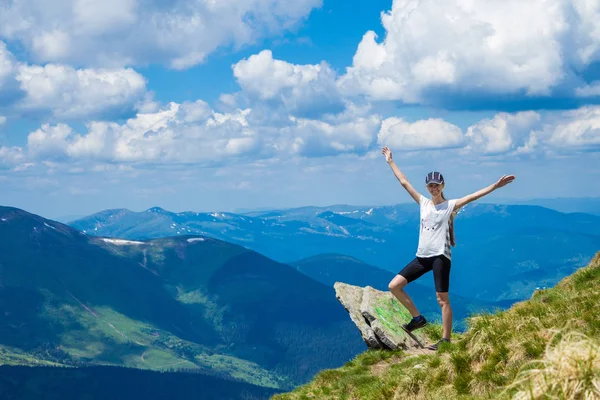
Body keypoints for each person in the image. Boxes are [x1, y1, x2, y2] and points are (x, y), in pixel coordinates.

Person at [382, 146, 515, 350]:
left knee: (442, 299)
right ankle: (417, 318)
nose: (433, 188)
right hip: (422, 257)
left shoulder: (450, 205)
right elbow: (404, 182)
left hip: (440, 257)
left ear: (442, 185)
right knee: (394, 286)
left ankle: (445, 340)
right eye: (430, 186)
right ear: (427, 187)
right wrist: (390, 161)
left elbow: (473, 196)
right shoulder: (423, 203)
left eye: (436, 185)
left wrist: (495, 186)